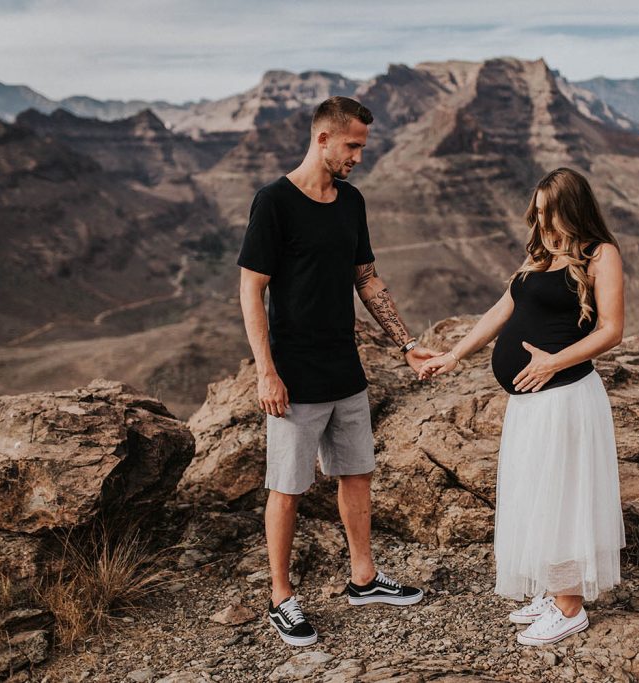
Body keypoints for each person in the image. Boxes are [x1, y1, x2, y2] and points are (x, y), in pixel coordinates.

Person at [237, 96, 436, 647]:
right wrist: (266, 372)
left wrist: (407, 345)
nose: (358, 157)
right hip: (295, 376)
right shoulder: (273, 202)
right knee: (288, 486)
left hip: (345, 371)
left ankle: (364, 578)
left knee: (356, 474)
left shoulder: (351, 202)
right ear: (322, 139)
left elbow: (366, 277)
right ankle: (281, 597)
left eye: (362, 148)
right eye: (352, 146)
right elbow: (251, 288)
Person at [420, 167, 626, 646]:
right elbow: (500, 310)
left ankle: (571, 607)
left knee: (564, 496)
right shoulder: (541, 254)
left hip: (565, 398)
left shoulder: (601, 255)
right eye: (537, 213)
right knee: (537, 493)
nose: (543, 223)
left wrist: (554, 361)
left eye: (551, 214)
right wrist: (452, 356)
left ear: (574, 210)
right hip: (529, 403)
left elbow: (611, 330)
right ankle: (555, 591)